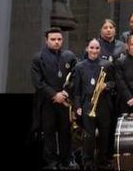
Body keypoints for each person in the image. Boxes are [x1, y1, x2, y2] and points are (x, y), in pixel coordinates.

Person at [31, 27, 78, 170]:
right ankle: (51, 162)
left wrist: (66, 92)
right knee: (49, 132)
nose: (56, 42)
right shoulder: (38, 58)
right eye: (53, 39)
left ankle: (66, 160)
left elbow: (76, 76)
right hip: (47, 102)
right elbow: (38, 82)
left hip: (65, 101)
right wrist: (54, 94)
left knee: (65, 131)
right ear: (46, 41)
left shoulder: (69, 56)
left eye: (59, 39)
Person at [73, 38, 115, 171]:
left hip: (104, 104)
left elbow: (114, 83)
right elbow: (77, 90)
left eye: (97, 48)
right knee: (89, 136)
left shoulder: (107, 65)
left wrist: (106, 85)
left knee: (104, 134)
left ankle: (102, 161)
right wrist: (78, 106)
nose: (94, 51)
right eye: (91, 48)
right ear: (87, 49)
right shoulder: (80, 66)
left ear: (99, 50)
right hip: (87, 104)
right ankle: (88, 162)